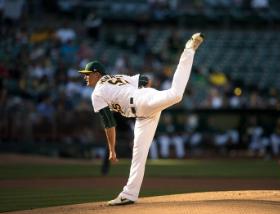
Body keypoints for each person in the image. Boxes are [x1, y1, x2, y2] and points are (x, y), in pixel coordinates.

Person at [78, 33, 204, 205]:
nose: (85, 76)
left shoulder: (97, 93)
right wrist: (143, 93)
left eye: (87, 73)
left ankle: (188, 49)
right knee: (139, 153)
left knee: (176, 94)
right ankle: (129, 194)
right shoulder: (118, 77)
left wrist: (112, 149)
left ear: (97, 73)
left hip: (140, 102)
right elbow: (145, 79)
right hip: (142, 110)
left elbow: (108, 122)